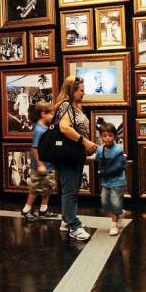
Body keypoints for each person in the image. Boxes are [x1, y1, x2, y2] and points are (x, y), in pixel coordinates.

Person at [55, 76, 98, 241]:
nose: (83, 93)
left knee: (70, 190)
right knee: (70, 191)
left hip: (74, 155)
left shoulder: (73, 106)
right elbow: (64, 128)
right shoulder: (66, 106)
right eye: (81, 90)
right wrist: (85, 141)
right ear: (72, 91)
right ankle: (74, 226)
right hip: (68, 156)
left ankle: (67, 221)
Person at [21, 101, 58, 222]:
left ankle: (43, 209)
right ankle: (26, 210)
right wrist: (39, 164)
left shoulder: (45, 128)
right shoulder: (38, 129)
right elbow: (34, 148)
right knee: (35, 188)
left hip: (49, 165)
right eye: (51, 113)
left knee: (47, 187)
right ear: (43, 114)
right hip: (40, 166)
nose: (53, 116)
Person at [94, 122, 127, 236]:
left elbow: (119, 166)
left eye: (110, 135)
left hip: (118, 180)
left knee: (114, 201)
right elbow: (98, 160)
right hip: (106, 181)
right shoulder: (100, 150)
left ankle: (114, 225)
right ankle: (118, 210)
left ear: (114, 136)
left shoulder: (118, 150)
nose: (107, 138)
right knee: (104, 201)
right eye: (104, 135)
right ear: (101, 136)